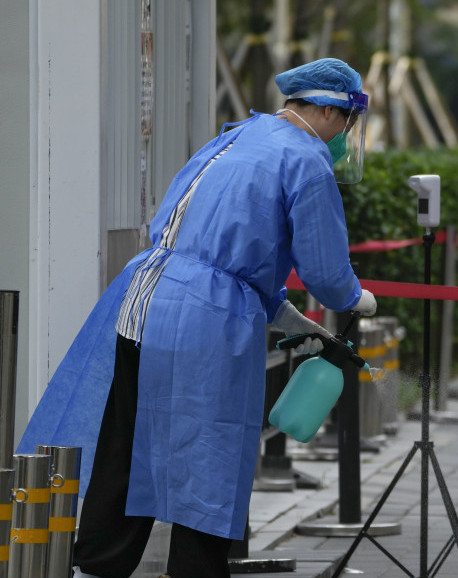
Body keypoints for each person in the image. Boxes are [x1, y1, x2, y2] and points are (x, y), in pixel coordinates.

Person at [17, 58, 378, 578]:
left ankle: (96, 565)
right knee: (212, 452)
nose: (346, 135)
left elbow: (205, 241)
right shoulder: (307, 158)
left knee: (125, 444)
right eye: (347, 121)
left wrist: (283, 313)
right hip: (207, 320)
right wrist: (354, 296)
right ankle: (196, 571)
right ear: (327, 109)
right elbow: (324, 270)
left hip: (143, 300)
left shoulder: (237, 135)